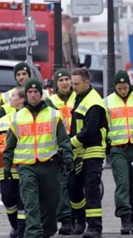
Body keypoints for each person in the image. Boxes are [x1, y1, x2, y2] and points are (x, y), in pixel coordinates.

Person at [3, 79, 73, 238]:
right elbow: (9, 146)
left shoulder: (54, 115)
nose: (33, 95)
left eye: (36, 92)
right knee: (31, 202)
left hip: (50, 165)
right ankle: (33, 233)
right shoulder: (17, 118)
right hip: (27, 167)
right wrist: (7, 167)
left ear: (41, 95)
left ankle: (47, 231)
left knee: (51, 202)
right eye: (29, 92)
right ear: (26, 95)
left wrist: (68, 158)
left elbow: (64, 140)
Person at [104, 70, 133, 235]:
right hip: (118, 149)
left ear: (129, 85)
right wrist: (107, 147)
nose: (122, 91)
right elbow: (104, 127)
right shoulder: (107, 102)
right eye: (119, 88)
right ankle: (125, 219)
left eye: (124, 87)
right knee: (123, 184)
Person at [67, 68, 108, 238]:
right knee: (73, 187)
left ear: (86, 82)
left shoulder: (94, 102)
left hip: (93, 151)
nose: (73, 87)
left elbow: (89, 131)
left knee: (91, 190)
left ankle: (95, 227)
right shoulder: (80, 97)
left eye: (76, 84)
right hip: (79, 152)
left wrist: (69, 144)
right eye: (72, 84)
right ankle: (80, 219)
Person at [46, 69, 78, 235]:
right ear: (56, 84)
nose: (65, 82)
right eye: (61, 80)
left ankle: (79, 217)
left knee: (77, 185)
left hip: (79, 145)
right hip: (60, 147)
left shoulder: (78, 97)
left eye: (67, 79)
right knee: (63, 185)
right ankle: (66, 219)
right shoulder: (51, 102)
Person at [0, 87, 25, 238]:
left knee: (22, 201)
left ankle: (21, 231)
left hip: (24, 164)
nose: (10, 98)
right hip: (6, 166)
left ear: (21, 99)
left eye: (13, 96)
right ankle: (14, 225)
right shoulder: (3, 119)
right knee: (7, 197)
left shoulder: (28, 117)